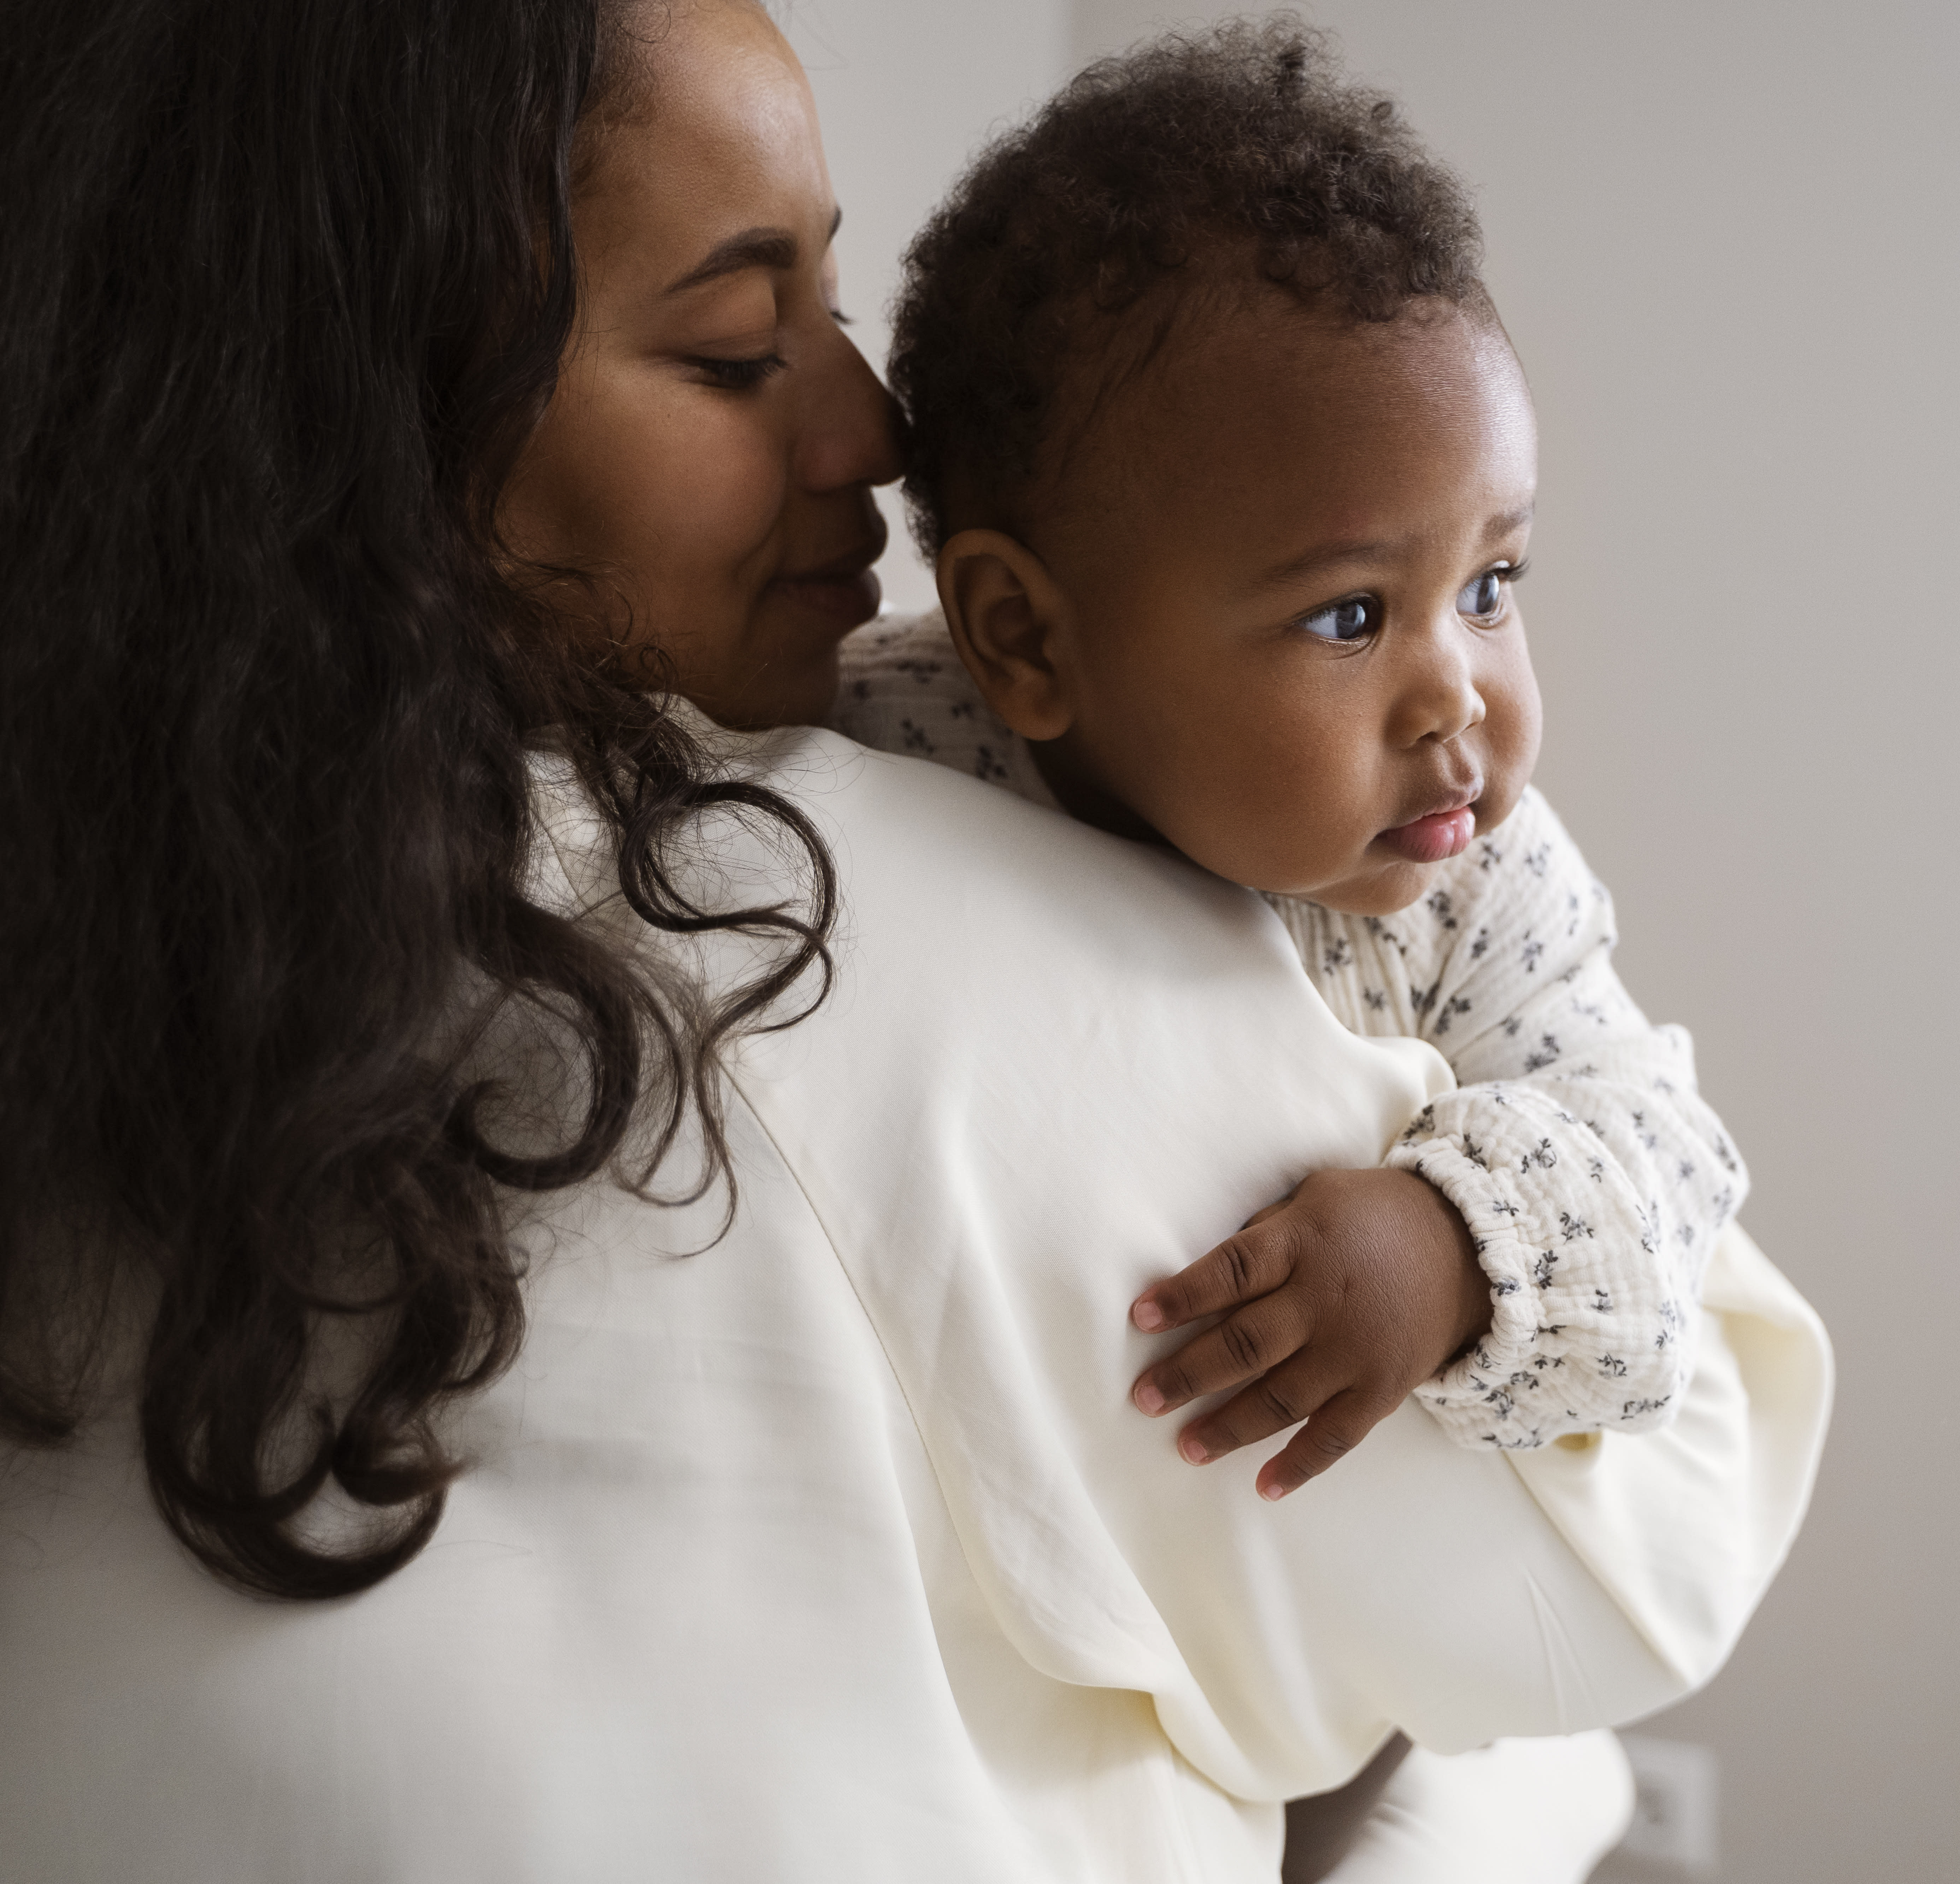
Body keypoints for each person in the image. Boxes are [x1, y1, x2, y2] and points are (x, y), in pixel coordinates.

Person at [0, 2, 1830, 1879]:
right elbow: (1651, 1535)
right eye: (732, 347)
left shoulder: (126, 931)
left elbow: (1634, 1131)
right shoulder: (808, 916)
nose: (872, 422)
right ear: (370, 444)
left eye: (1497, 582)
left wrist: (1480, 1226)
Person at [835, 21, 1747, 1502]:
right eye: (1349, 614)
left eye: (1492, 585)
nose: (1456, 699)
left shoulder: (1482, 886)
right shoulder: (885, 745)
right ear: (1026, 640)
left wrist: (1446, 1246)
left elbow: (1661, 1159)